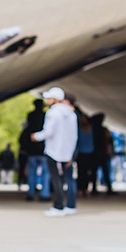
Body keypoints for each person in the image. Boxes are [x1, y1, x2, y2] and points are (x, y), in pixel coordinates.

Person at [31, 87, 78, 216]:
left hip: (53, 151)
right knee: (65, 179)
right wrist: (70, 153)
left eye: (49, 98)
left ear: (55, 100)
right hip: (66, 151)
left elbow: (49, 132)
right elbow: (74, 136)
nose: (47, 101)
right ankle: (68, 205)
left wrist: (36, 136)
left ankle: (59, 206)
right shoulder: (71, 114)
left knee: (56, 178)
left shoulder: (52, 113)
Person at [24, 99, 50, 202]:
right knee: (45, 173)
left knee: (32, 172)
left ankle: (31, 193)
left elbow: (27, 131)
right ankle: (45, 193)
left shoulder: (31, 116)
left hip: (32, 149)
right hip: (44, 149)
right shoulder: (46, 116)